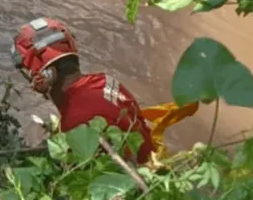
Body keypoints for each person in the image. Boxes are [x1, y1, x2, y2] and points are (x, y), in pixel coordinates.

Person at [11, 17, 198, 164]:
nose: (33, 82)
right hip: (151, 155)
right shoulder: (102, 80)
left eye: (32, 74)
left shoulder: (76, 122)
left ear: (49, 75)